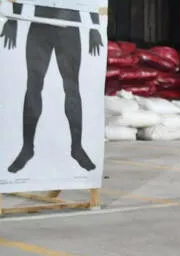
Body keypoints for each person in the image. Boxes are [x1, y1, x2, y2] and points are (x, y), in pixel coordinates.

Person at [1, 3, 103, 173]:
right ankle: (27, 148)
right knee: (33, 85)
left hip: (69, 25)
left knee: (72, 88)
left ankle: (76, 147)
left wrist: (94, 26)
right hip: (39, 24)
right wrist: (13, 20)